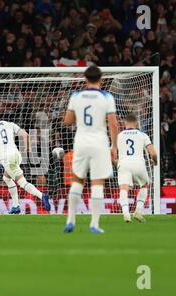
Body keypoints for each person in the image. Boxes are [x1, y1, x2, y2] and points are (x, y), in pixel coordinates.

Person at [63, 65, 118, 234]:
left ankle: (70, 221)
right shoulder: (107, 97)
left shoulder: (76, 96)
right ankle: (94, 224)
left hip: (81, 142)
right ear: (101, 79)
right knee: (97, 183)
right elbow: (113, 123)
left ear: (85, 79)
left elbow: (67, 121)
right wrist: (114, 146)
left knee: (77, 180)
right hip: (99, 143)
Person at [0, 105, 51, 214]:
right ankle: (16, 206)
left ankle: (42, 196)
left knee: (22, 182)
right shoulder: (10, 124)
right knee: (6, 178)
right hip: (16, 155)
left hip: (7, 159)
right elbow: (26, 135)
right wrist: (27, 148)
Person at [117, 113, 158, 223]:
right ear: (136, 123)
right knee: (144, 185)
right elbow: (153, 153)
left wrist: (116, 162)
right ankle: (138, 212)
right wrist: (155, 161)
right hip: (139, 164)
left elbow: (112, 152)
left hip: (124, 164)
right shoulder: (143, 135)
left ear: (125, 123)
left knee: (124, 188)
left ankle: (126, 214)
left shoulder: (119, 135)